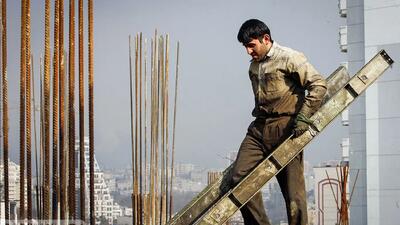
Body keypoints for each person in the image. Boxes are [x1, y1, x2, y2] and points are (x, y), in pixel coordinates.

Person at [231, 19, 327, 225]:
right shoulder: (254, 66)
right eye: (245, 47)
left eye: (251, 45)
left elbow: (319, 85)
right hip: (259, 129)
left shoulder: (289, 57)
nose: (248, 51)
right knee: (239, 178)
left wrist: (303, 116)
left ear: (265, 39)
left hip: (287, 129)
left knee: (294, 195)